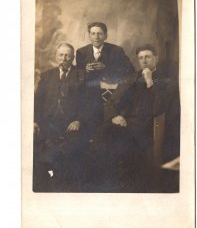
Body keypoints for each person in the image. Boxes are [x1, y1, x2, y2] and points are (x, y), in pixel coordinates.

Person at [85, 45, 180, 192]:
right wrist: (115, 116)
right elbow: (111, 102)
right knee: (101, 135)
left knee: (123, 148)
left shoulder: (168, 82)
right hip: (124, 121)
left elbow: (158, 109)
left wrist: (149, 82)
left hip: (146, 126)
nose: (144, 61)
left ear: (156, 58)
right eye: (141, 58)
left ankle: (123, 184)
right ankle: (98, 183)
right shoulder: (132, 78)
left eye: (148, 57)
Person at [33, 42, 88, 192]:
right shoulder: (46, 76)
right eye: (61, 55)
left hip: (71, 124)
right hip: (48, 124)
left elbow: (89, 104)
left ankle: (65, 187)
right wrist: (35, 121)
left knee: (69, 153)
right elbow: (37, 102)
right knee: (37, 148)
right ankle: (44, 185)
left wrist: (79, 120)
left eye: (67, 56)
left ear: (73, 58)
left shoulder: (82, 75)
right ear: (56, 57)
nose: (64, 58)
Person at [76, 22, 135, 135]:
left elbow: (130, 70)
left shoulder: (116, 50)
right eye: (93, 34)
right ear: (89, 35)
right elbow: (78, 75)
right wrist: (85, 70)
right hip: (90, 98)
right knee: (90, 130)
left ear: (105, 35)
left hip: (111, 97)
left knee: (110, 131)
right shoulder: (81, 52)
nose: (96, 37)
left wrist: (106, 68)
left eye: (99, 34)